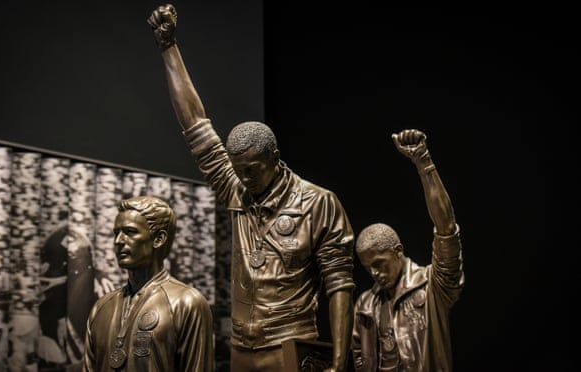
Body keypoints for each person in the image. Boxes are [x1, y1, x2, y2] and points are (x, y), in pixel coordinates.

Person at [147, 5, 356, 372]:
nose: (244, 178)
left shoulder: (318, 202)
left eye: (253, 170)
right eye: (238, 170)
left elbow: (339, 283)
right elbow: (196, 125)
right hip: (242, 347)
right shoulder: (236, 191)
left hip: (291, 346)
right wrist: (169, 47)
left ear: (275, 158)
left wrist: (339, 358)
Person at [351, 129, 464, 372]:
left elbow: (446, 230)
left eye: (379, 263)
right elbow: (359, 356)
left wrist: (424, 162)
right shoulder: (365, 304)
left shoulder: (433, 285)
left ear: (398, 251)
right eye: (368, 268)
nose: (374, 273)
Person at [82, 195, 214, 372]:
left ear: (158, 238)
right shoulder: (101, 307)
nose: (118, 241)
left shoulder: (187, 302)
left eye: (130, 232)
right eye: (116, 233)